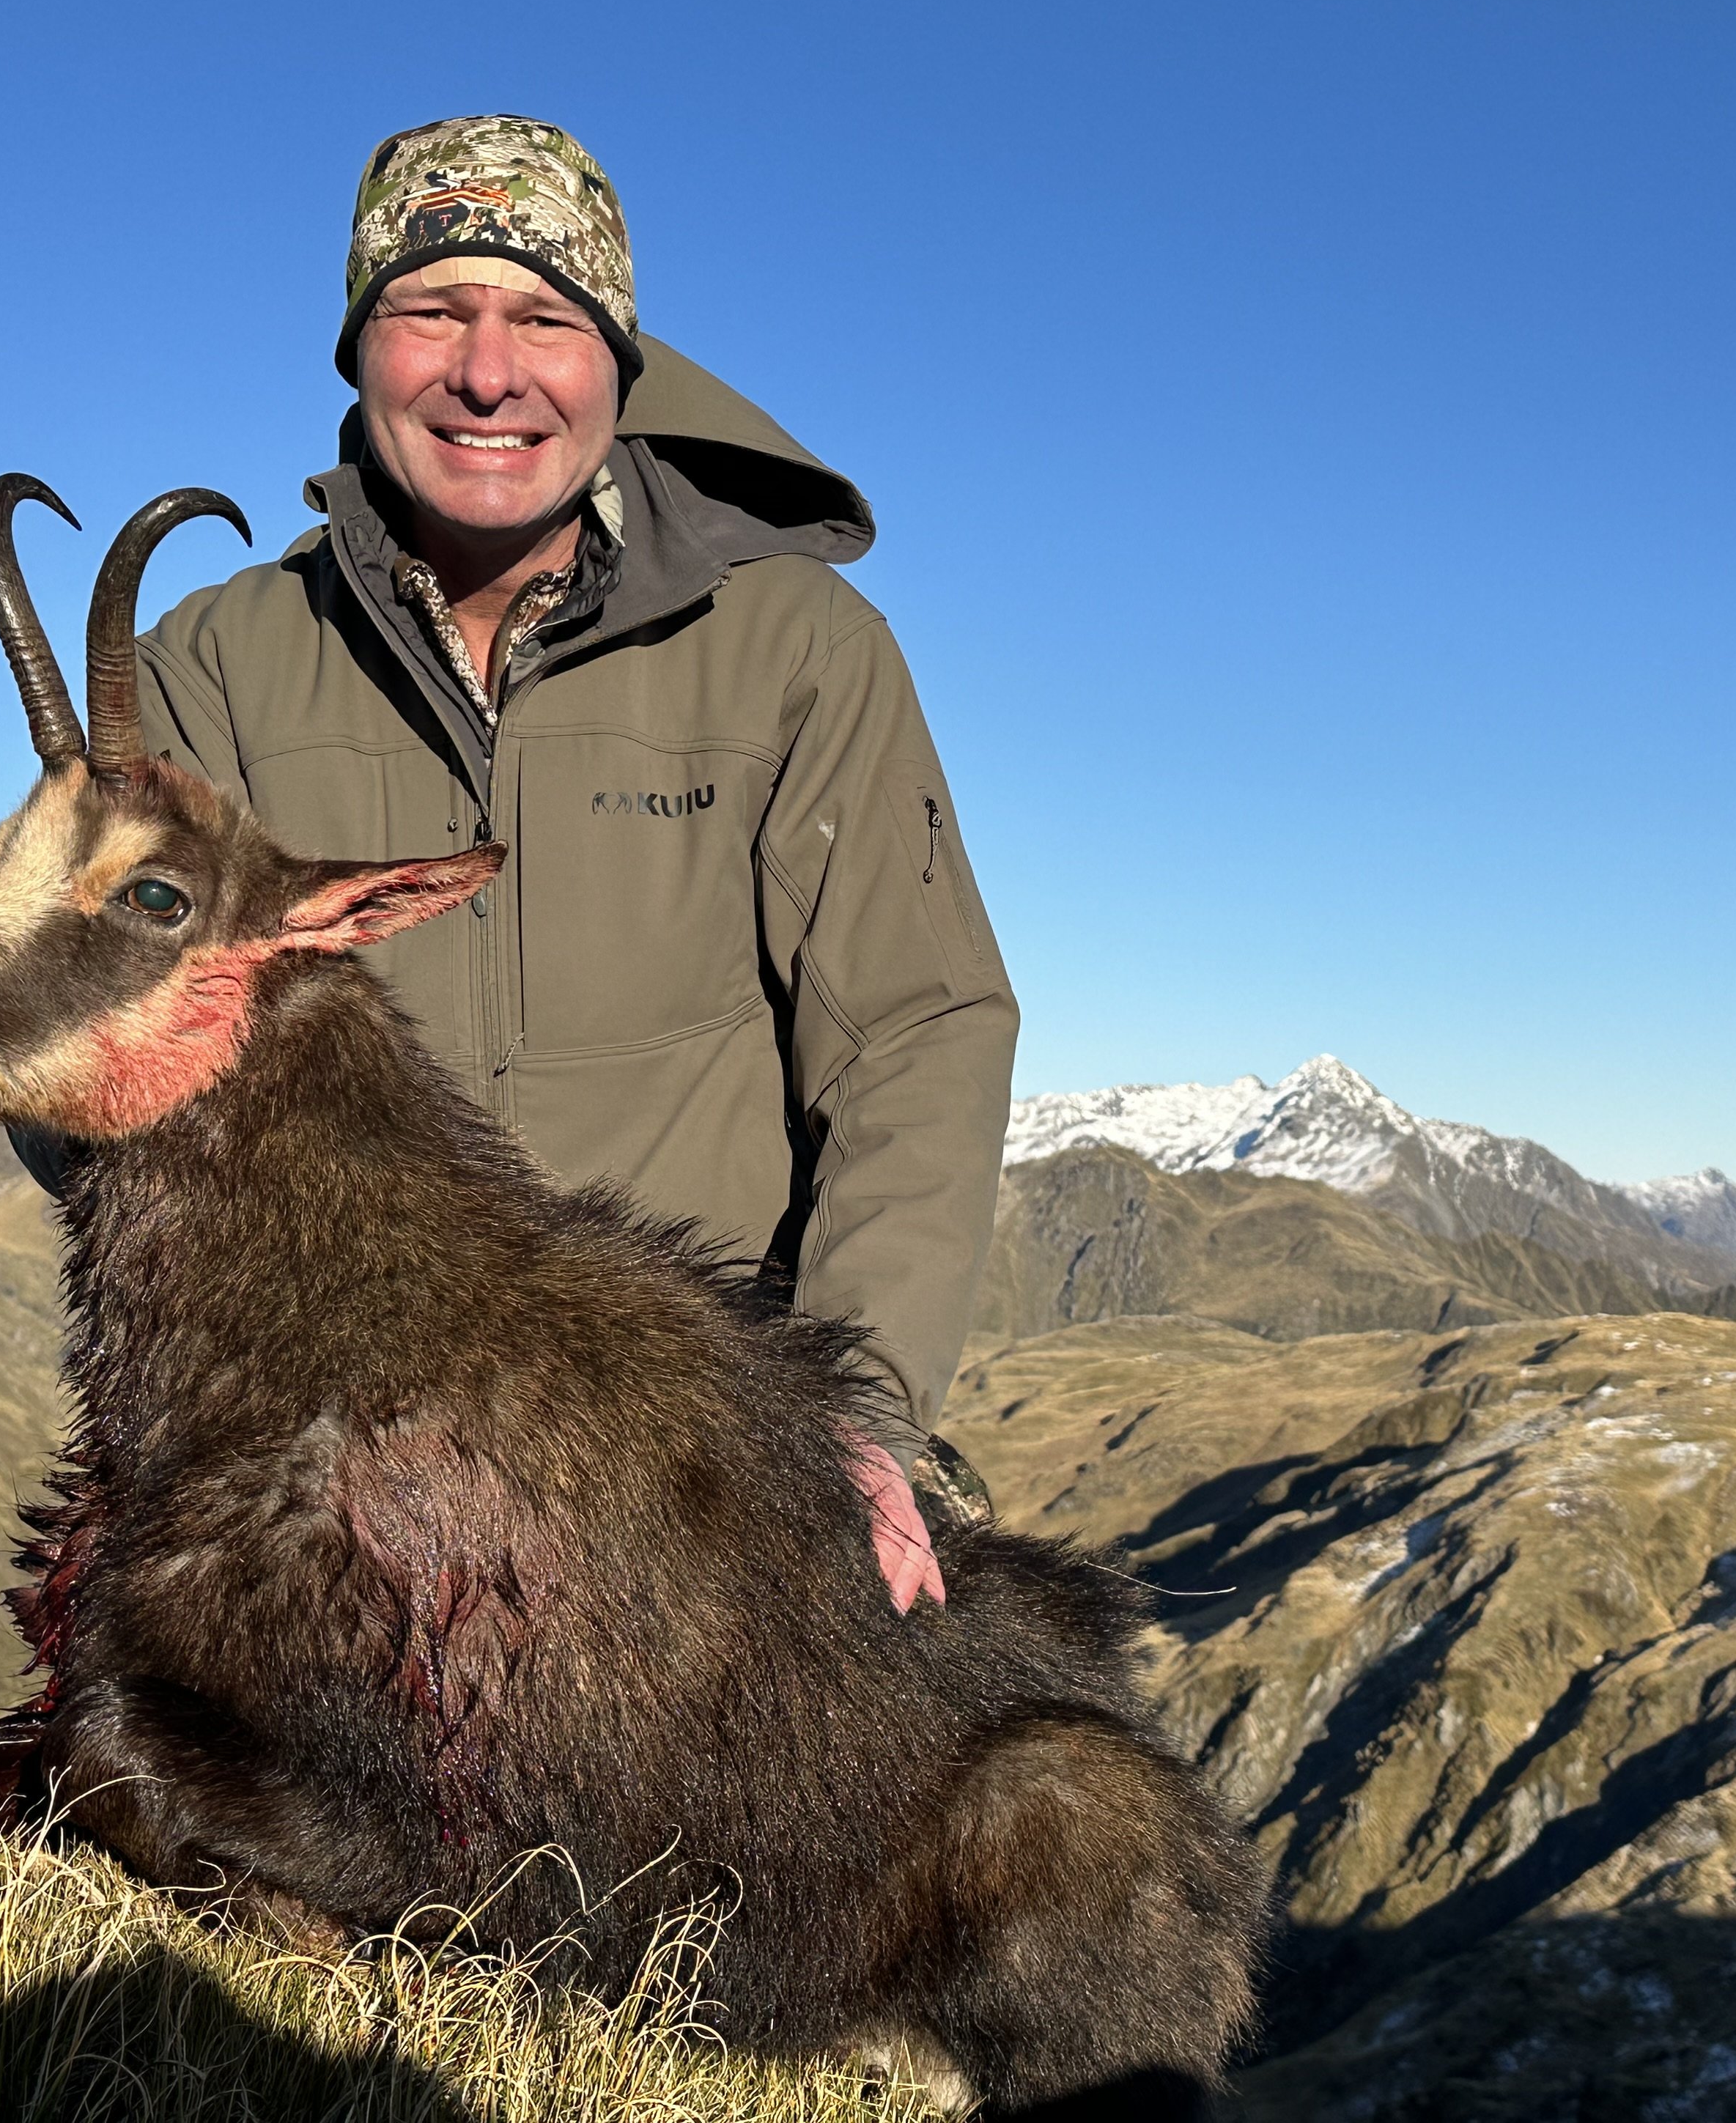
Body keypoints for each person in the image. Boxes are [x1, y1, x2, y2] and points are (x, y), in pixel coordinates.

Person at [52, 115, 1015, 1609]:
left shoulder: (799, 651)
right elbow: (84, 1040)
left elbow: (913, 1033)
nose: (488, 373)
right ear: (360, 353)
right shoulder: (214, 670)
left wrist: (864, 1418)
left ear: (618, 365)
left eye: (545, 321)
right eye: (431, 311)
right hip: (331, 1431)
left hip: (711, 1422)